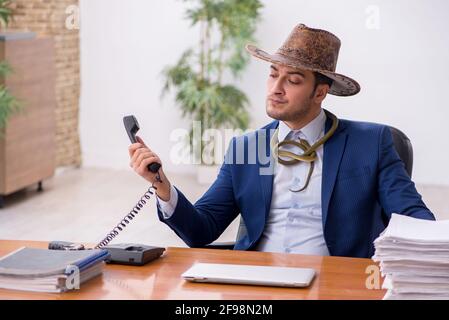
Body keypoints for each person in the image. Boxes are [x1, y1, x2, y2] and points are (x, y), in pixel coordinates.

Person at [128, 23, 434, 258]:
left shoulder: (371, 143)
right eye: (273, 74)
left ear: (320, 93)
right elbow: (201, 229)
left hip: (336, 283)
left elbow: (414, 218)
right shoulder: (248, 148)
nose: (276, 87)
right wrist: (162, 186)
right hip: (258, 283)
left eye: (293, 80)